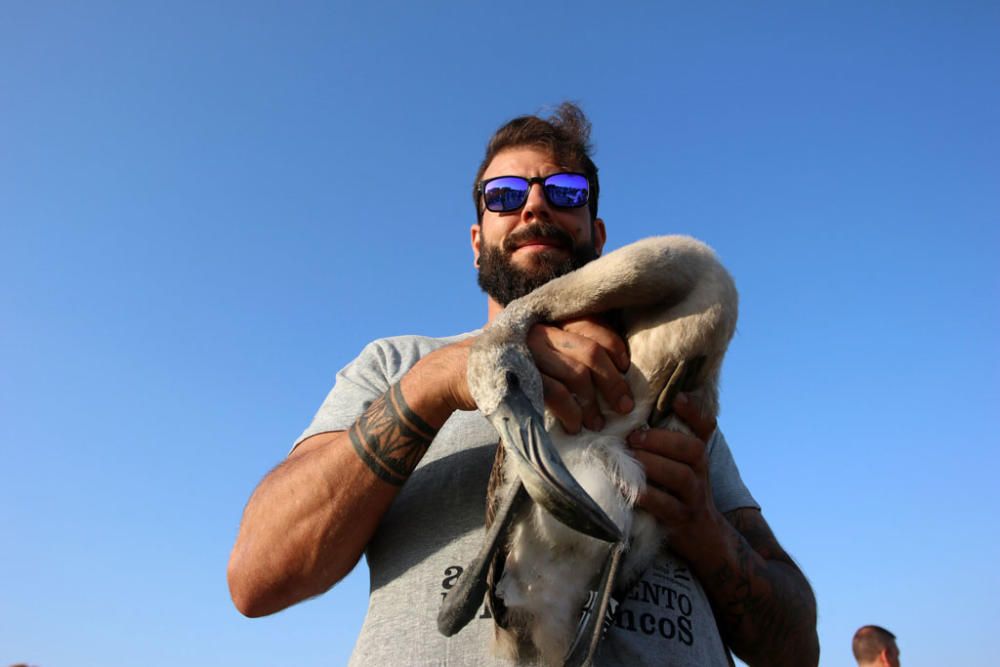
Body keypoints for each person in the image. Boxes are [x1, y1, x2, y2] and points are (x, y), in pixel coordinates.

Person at [227, 103, 819, 666]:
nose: (534, 208)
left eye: (564, 193)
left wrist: (704, 529)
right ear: (477, 239)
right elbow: (258, 576)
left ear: (598, 231)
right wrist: (440, 383)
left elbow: (797, 651)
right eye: (505, 196)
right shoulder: (397, 364)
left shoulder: (665, 387)